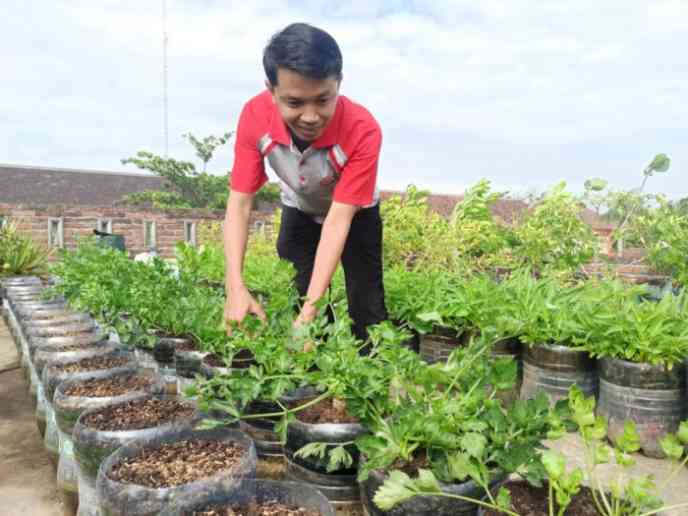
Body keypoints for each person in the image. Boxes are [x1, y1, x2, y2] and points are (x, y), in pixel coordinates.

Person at [224, 22, 387, 342]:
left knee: (366, 299)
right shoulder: (254, 117)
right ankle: (311, 375)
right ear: (272, 91)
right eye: (295, 103)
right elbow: (239, 204)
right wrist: (235, 286)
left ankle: (369, 379)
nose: (310, 116)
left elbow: (339, 220)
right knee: (298, 290)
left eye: (323, 100)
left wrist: (310, 312)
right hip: (299, 207)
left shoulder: (363, 129)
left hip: (355, 215)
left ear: (338, 84)